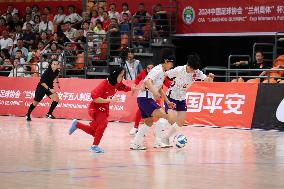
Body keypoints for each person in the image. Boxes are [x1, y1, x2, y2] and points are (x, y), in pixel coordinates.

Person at [68, 66, 137, 153]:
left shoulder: (117, 83)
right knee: (103, 124)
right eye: (122, 75)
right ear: (115, 75)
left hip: (104, 108)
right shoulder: (104, 84)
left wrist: (134, 89)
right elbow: (95, 98)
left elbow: (123, 87)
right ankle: (94, 146)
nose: (123, 77)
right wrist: (110, 100)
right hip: (96, 108)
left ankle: (77, 124)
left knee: (95, 132)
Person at [155, 54, 214, 146]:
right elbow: (164, 75)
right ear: (188, 65)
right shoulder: (179, 70)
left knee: (181, 121)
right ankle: (158, 132)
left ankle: (165, 138)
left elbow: (208, 81)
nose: (193, 71)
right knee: (172, 119)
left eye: (195, 69)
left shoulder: (197, 72)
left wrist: (210, 78)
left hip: (182, 98)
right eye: (192, 69)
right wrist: (158, 87)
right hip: (172, 96)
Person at [130, 49, 176, 150]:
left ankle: (135, 143)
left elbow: (159, 88)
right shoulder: (157, 69)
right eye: (171, 63)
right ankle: (159, 141)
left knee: (149, 121)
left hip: (143, 98)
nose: (172, 65)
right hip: (145, 97)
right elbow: (147, 81)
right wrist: (154, 92)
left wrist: (167, 101)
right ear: (165, 61)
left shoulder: (163, 72)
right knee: (166, 116)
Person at [129, 62, 154, 135]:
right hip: (143, 95)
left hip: (153, 95)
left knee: (151, 113)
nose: (150, 69)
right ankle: (135, 127)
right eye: (148, 68)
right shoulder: (143, 73)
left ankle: (144, 129)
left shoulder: (157, 74)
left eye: (151, 68)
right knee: (140, 110)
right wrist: (134, 87)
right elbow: (138, 79)